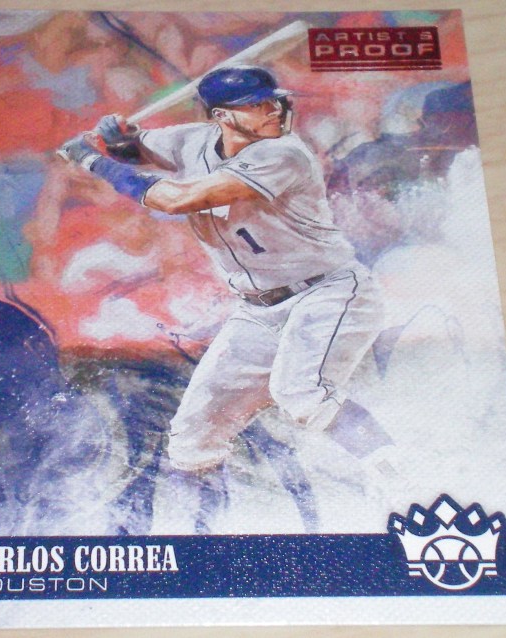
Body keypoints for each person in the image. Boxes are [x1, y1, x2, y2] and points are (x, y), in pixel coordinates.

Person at [59, 65, 388, 476]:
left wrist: (92, 161)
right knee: (192, 436)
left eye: (272, 101)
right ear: (221, 116)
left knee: (303, 394)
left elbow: (176, 200)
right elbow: (136, 148)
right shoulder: (191, 139)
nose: (273, 110)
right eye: (256, 105)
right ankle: (203, 514)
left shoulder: (283, 154)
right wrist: (116, 139)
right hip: (258, 309)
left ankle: (403, 478)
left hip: (327, 292)